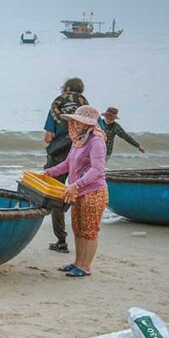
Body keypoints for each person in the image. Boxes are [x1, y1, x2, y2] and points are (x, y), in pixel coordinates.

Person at [43, 105, 108, 277]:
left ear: (88, 124)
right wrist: (47, 172)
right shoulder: (78, 140)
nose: (75, 124)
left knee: (90, 231)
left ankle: (86, 267)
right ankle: (77, 263)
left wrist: (76, 184)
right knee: (78, 229)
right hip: (77, 191)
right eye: (75, 121)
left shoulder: (96, 141)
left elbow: (97, 169)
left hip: (93, 192)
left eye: (79, 122)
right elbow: (67, 164)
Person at [44, 78, 88, 253]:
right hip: (81, 155)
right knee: (77, 190)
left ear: (67, 89)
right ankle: (83, 234)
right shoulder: (86, 112)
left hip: (58, 157)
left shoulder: (56, 108)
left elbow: (48, 137)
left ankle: (61, 241)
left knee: (56, 196)